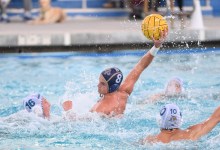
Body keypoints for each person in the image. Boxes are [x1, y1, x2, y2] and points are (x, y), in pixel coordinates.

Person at [63, 29, 168, 117]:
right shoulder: (124, 92)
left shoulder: (101, 108)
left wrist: (69, 112)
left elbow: (78, 124)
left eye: (102, 84)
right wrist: (156, 46)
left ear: (112, 87)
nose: (98, 85)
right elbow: (140, 66)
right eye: (100, 82)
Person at [142, 103, 220, 143]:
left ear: (159, 120)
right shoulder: (191, 134)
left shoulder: (149, 141)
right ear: (180, 119)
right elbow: (216, 117)